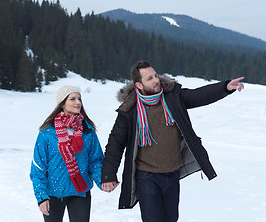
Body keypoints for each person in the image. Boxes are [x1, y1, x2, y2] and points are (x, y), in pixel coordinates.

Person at [101, 60, 244, 222]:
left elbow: (198, 96)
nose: (156, 80)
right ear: (139, 85)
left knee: (171, 219)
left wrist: (225, 87)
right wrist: (108, 175)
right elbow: (115, 143)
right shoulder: (129, 109)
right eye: (149, 78)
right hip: (146, 177)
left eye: (155, 75)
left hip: (172, 175)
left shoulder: (172, 97)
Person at [30, 86, 104, 222]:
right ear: (62, 104)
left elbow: (96, 161)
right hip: (53, 193)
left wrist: (103, 180)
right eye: (73, 99)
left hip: (80, 192)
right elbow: (38, 168)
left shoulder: (88, 131)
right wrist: (41, 197)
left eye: (79, 99)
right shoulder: (47, 132)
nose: (78, 102)